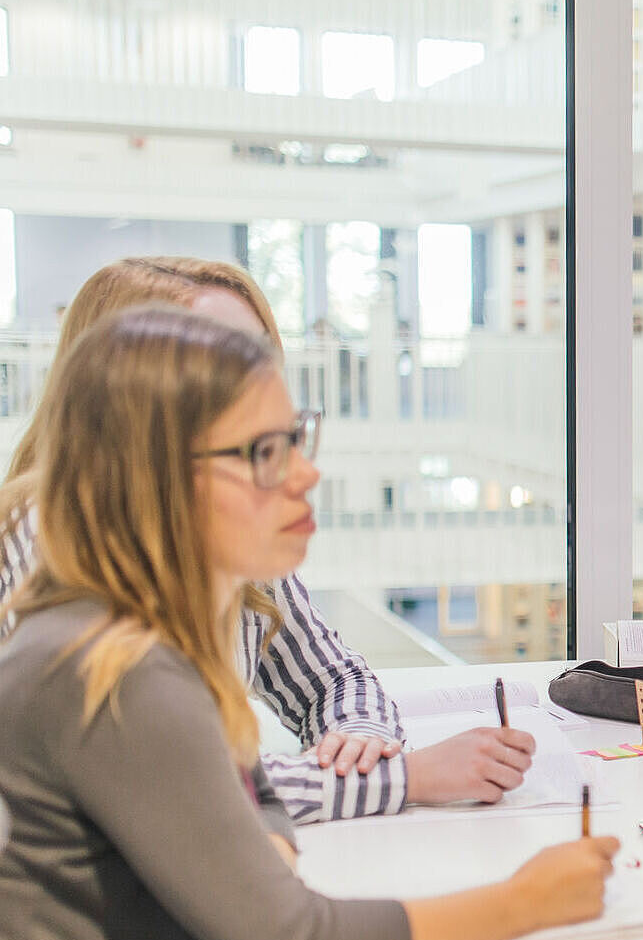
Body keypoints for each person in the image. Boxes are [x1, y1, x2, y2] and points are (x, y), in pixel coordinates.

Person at [0, 305, 619, 940]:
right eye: (262, 453)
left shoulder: (125, 634)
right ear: (152, 481)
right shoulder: (121, 674)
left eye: (295, 437)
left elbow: (258, 850)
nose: (306, 474)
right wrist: (529, 899)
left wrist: (260, 882)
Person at [0, 257, 532, 822]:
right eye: (222, 358)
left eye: (257, 353)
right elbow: (163, 782)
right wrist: (406, 777)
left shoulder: (227, 512)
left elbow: (333, 678)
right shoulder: (50, 528)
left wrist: (360, 738)